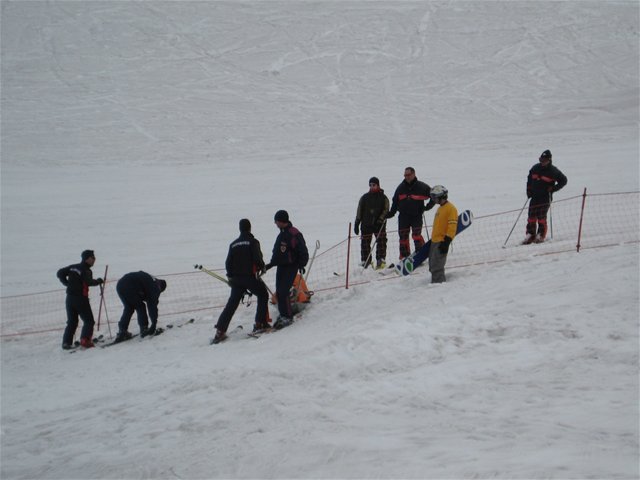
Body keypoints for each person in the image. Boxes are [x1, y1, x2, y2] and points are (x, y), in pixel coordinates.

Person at [212, 219, 270, 344]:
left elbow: (228, 263)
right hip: (249, 278)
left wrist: (230, 278)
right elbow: (257, 258)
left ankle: (220, 331)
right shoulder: (253, 242)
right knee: (263, 294)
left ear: (240, 229)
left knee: (231, 304)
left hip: (236, 280)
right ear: (250, 228)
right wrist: (262, 267)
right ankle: (260, 324)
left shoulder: (233, 244)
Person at [265, 210, 309, 329]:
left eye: (276, 221)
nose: (275, 223)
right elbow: (278, 253)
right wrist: (269, 265)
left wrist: (301, 264)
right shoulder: (282, 234)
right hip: (281, 266)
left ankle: (287, 316)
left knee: (284, 291)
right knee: (279, 291)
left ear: (281, 221)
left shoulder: (294, 233)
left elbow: (303, 251)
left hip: (291, 266)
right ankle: (283, 314)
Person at [56, 249, 104, 349]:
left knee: (72, 322)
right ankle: (85, 340)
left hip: (69, 298)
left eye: (94, 258)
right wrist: (99, 281)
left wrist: (67, 283)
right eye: (92, 258)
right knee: (89, 321)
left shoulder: (73, 267)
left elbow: (60, 273)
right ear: (86, 258)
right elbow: (89, 282)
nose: (94, 260)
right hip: (81, 298)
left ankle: (66, 343)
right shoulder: (86, 270)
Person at [386, 167, 435, 259]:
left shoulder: (422, 186)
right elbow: (395, 201)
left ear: (413, 174)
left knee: (416, 235)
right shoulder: (400, 188)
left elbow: (433, 195)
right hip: (403, 216)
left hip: (416, 215)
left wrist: (427, 207)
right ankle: (404, 256)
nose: (406, 177)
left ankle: (420, 253)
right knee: (403, 237)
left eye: (408, 175)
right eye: (405, 175)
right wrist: (391, 213)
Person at [524, 149, 568, 244]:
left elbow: (564, 180)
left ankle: (541, 235)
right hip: (534, 196)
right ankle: (530, 235)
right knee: (531, 216)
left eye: (544, 160)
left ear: (549, 160)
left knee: (541, 216)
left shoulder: (553, 171)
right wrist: (528, 190)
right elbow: (529, 179)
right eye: (541, 160)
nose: (542, 162)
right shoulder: (535, 168)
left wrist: (553, 188)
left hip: (545, 197)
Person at [115, 271, 167, 343]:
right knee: (140, 306)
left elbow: (147, 296)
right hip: (130, 286)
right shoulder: (155, 287)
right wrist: (154, 324)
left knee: (129, 308)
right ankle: (144, 329)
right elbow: (152, 305)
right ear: (161, 288)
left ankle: (122, 331)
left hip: (120, 284)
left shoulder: (152, 280)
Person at [354, 176, 389, 269]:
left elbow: (386, 210)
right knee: (365, 243)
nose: (372, 186)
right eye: (370, 185)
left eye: (374, 185)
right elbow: (359, 210)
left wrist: (380, 220)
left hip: (379, 225)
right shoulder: (364, 197)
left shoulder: (383, 198)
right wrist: (357, 222)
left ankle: (380, 260)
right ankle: (366, 261)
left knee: (381, 242)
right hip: (366, 224)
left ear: (378, 185)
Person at [428, 185, 458, 283]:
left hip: (442, 242)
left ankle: (438, 286)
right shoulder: (440, 208)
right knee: (432, 265)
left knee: (437, 266)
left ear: (442, 196)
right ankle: (435, 283)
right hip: (434, 241)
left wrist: (447, 242)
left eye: (435, 197)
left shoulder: (451, 209)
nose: (434, 199)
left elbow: (452, 227)